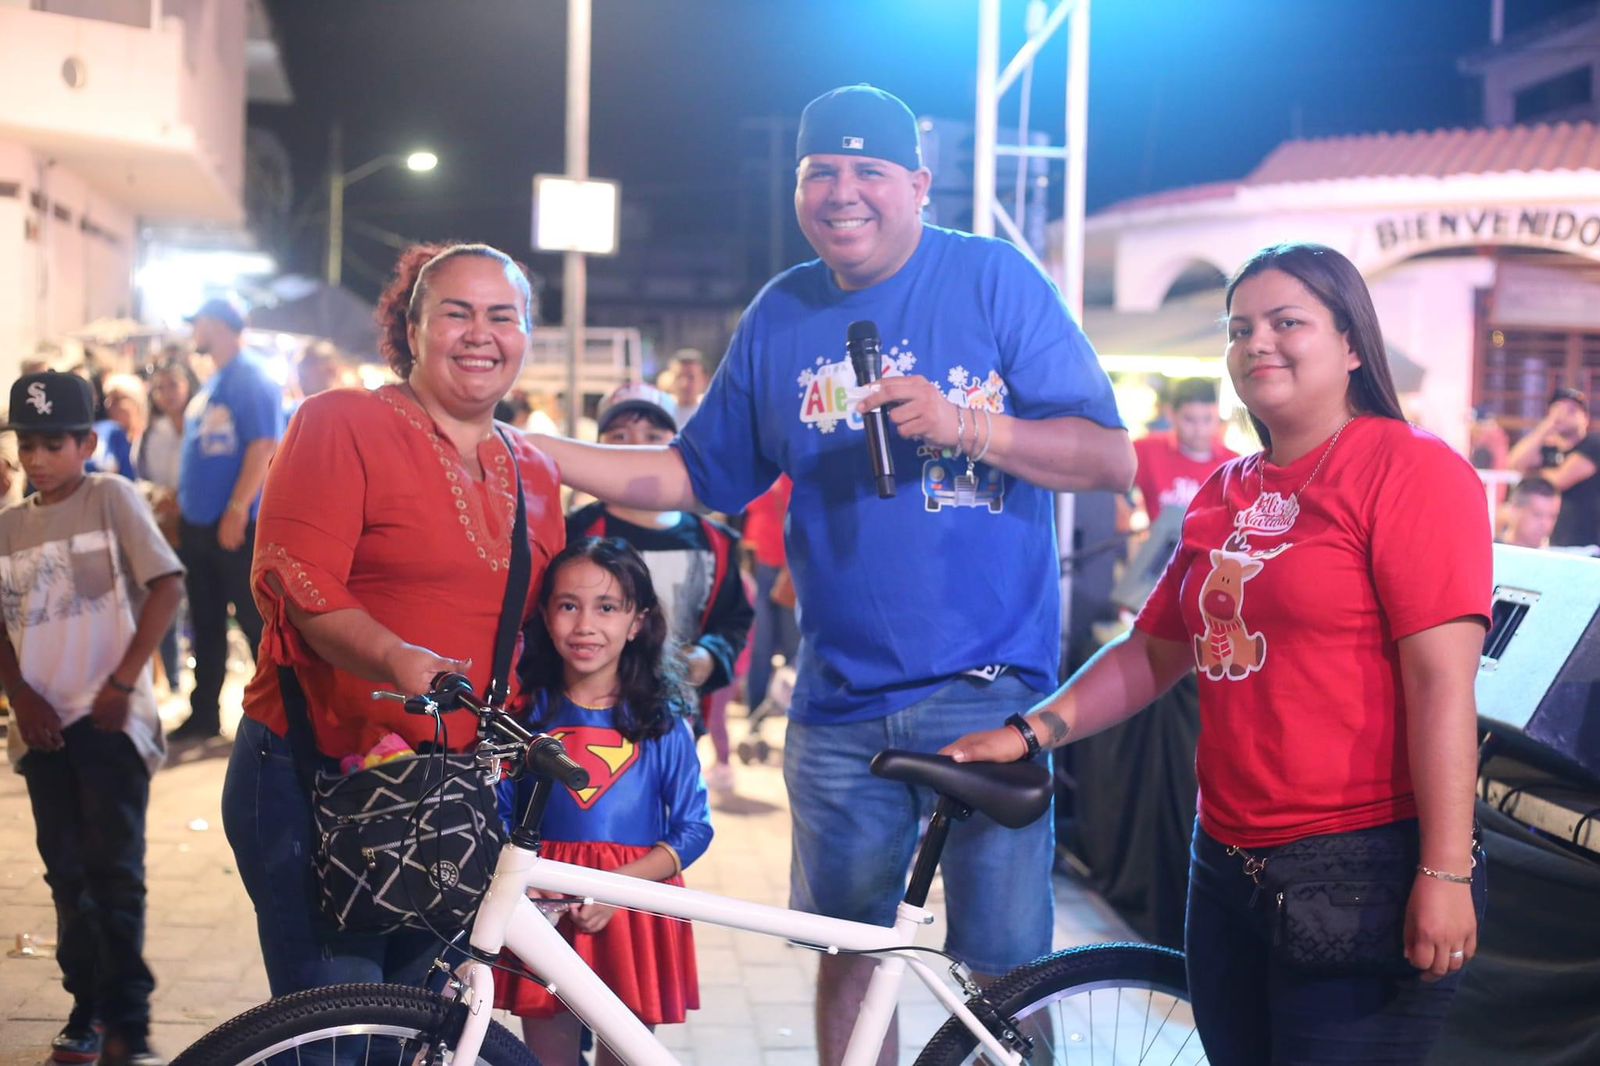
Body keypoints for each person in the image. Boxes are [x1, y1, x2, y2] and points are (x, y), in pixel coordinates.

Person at [530, 83, 1133, 1064]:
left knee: (1002, 974)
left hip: (987, 695)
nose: (842, 192)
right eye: (820, 172)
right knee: (851, 954)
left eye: (867, 171)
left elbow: (1108, 457)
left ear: (918, 186)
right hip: (839, 706)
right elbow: (692, 474)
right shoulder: (782, 312)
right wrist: (537, 448)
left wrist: (964, 423)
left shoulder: (991, 280)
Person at [946, 242, 1490, 1065]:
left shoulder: (1412, 471)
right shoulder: (1229, 487)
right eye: (1240, 329)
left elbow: (1442, 684)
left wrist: (1445, 874)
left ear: (1350, 345)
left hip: (1357, 866)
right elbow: (1155, 650)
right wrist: (1032, 732)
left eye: (1287, 322)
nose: (1257, 343)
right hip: (1224, 859)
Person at [220, 242, 566, 996]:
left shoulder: (535, 470)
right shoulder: (340, 421)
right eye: (457, 313)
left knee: (422, 1029)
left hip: (457, 792)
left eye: (502, 316)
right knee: (338, 1030)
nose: (481, 334)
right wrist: (396, 654)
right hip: (322, 777)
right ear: (412, 329)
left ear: (526, 335)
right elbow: (294, 578)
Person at [0, 372, 184, 1066]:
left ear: (87, 443)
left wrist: (123, 683)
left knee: (114, 874)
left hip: (110, 724)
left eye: (55, 442)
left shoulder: (111, 498)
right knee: (66, 876)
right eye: (29, 444)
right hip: (42, 730)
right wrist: (20, 692)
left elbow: (166, 587)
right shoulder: (9, 527)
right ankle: (86, 1008)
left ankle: (125, 1026)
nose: (40, 458)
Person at [496, 537, 711, 1065]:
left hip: (631, 910)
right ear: (545, 616)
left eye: (607, 607)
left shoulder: (661, 723)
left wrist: (619, 889)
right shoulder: (523, 717)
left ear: (637, 621)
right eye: (569, 605)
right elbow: (497, 816)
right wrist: (523, 876)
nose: (585, 625)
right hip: (543, 908)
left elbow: (693, 829)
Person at [568, 383, 753, 793]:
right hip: (584, 725)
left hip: (677, 722)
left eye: (653, 437)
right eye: (618, 437)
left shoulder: (714, 543)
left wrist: (709, 656)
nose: (635, 449)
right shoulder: (576, 535)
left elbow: (734, 620)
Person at [170, 298, 284, 742]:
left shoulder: (250, 377)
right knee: (206, 619)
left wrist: (238, 508)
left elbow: (263, 445)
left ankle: (281, 716)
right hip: (203, 524)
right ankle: (204, 713)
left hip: (232, 525)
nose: (193, 332)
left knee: (255, 623)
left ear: (215, 324)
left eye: (197, 323)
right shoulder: (217, 379)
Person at [1132, 377, 1237, 523]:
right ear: (1171, 415)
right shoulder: (1147, 450)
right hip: (1163, 544)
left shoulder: (1235, 466)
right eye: (1189, 419)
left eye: (1207, 419)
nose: (1200, 430)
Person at [1506, 386, 1600, 548]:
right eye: (1557, 410)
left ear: (1585, 418)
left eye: (1571, 411)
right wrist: (1544, 429)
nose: (1563, 416)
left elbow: (1559, 479)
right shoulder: (1549, 450)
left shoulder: (1593, 444)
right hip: (1557, 542)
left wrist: (1531, 475)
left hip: (1589, 544)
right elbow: (1515, 463)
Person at [742, 474, 798, 714]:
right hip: (761, 561)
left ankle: (790, 709)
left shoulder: (796, 469)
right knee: (759, 643)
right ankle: (755, 712)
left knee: (793, 643)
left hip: (793, 566)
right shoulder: (760, 469)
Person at [1498, 475, 1561, 549]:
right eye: (1537, 514)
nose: (1545, 523)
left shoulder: (1558, 557)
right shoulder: (1491, 553)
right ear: (1514, 511)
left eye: (1552, 516)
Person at [668, 349, 709, 426]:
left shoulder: (711, 414)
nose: (684, 384)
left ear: (704, 380)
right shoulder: (662, 412)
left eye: (691, 377)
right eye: (678, 377)